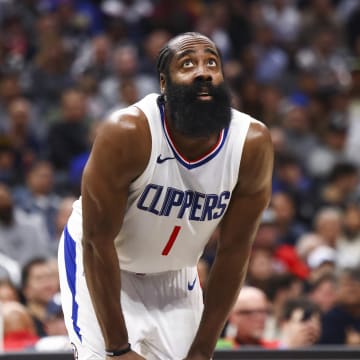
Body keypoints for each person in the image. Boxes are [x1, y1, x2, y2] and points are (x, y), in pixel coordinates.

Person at [58, 32, 273, 360]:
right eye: (187, 64)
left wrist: (202, 351)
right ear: (163, 84)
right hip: (104, 265)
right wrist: (118, 348)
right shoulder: (128, 133)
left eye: (211, 63)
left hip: (175, 275)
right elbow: (97, 241)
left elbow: (234, 252)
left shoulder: (251, 144)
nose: (203, 71)